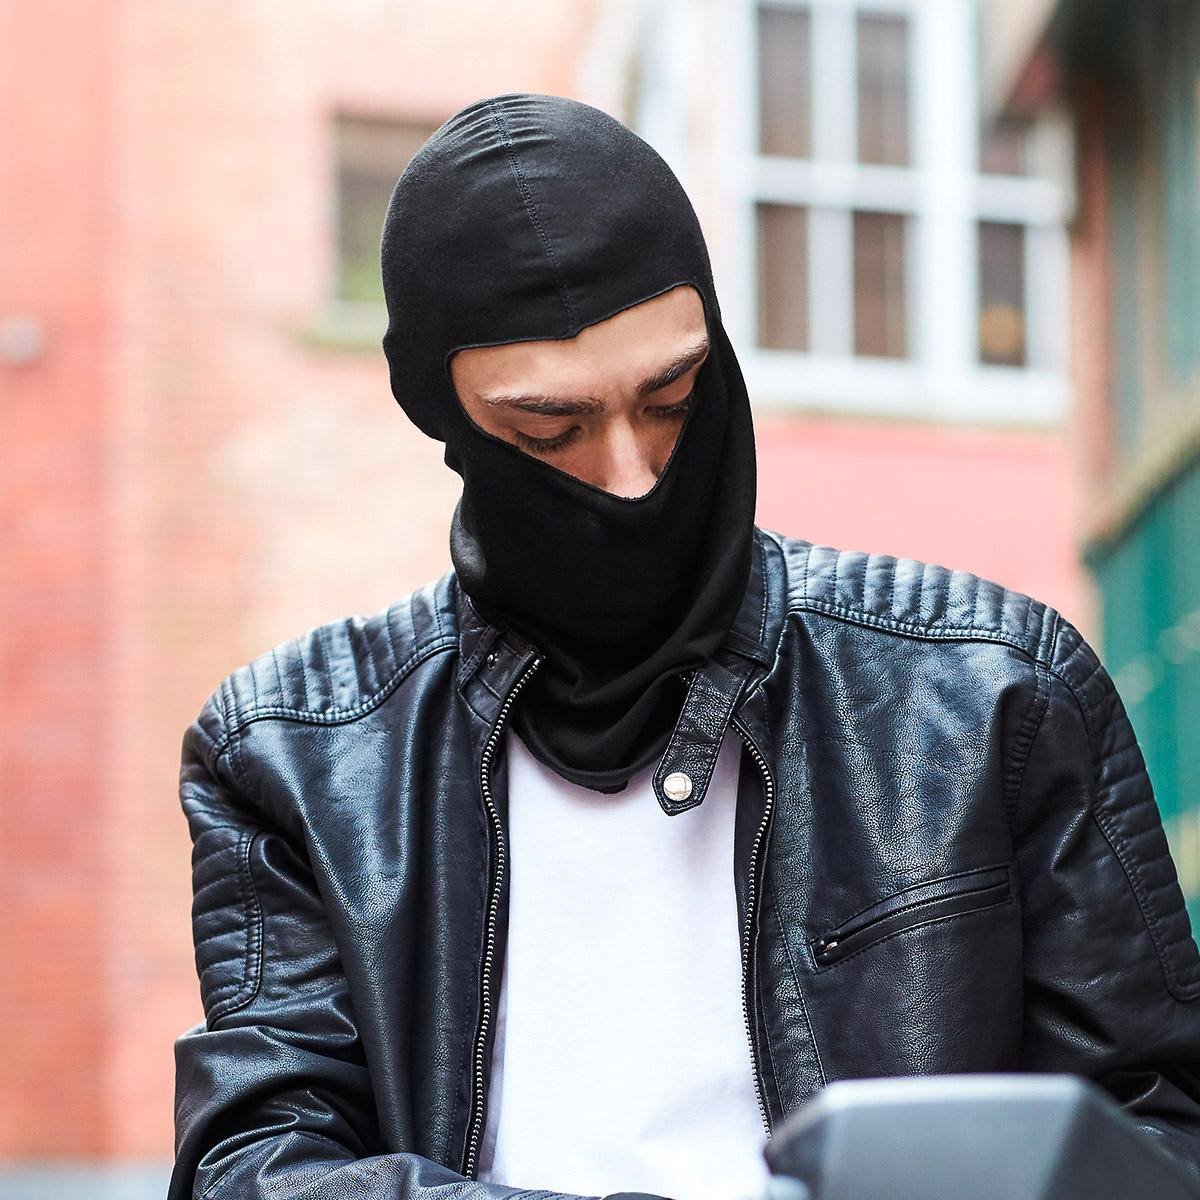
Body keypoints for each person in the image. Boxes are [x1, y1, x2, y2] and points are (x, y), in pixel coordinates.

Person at [168, 92, 1200, 1200]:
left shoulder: (996, 693)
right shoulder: (292, 756)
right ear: (445, 418)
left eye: (671, 397)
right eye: (550, 431)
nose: (631, 476)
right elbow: (259, 1170)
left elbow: (1156, 1138)